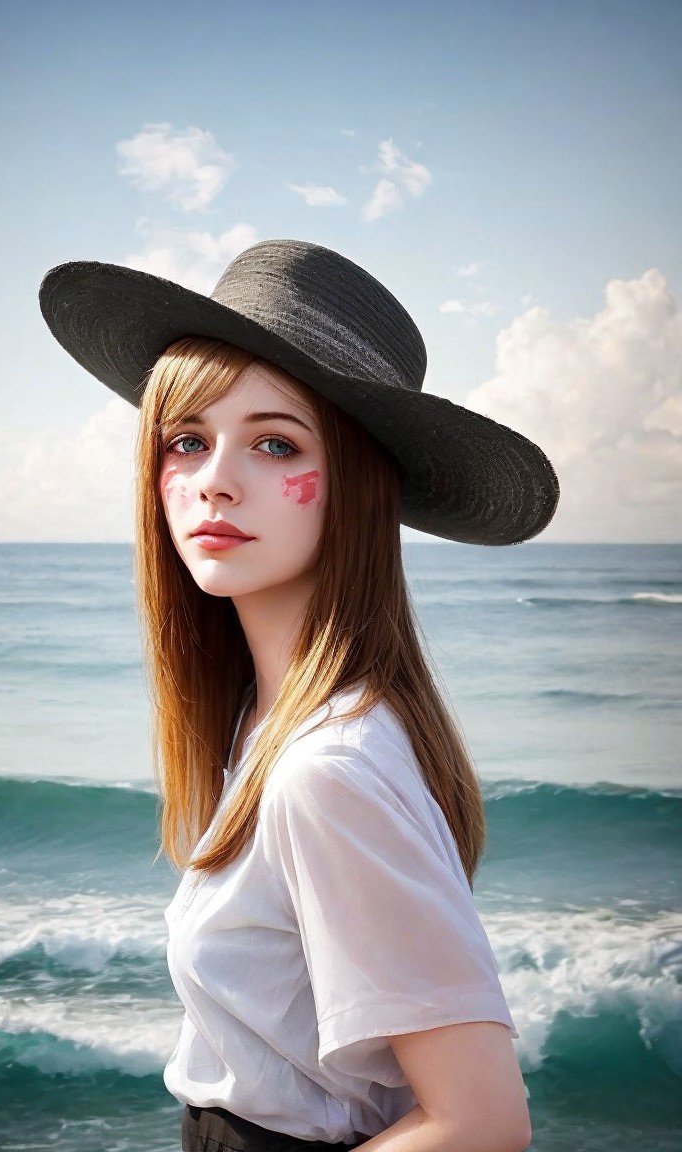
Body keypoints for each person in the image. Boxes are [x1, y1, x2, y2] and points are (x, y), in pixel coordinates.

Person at [39, 240, 559, 1152]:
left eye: (274, 443)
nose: (214, 480)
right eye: (187, 441)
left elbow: (480, 1123)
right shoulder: (267, 722)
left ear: (355, 485)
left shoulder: (328, 770)